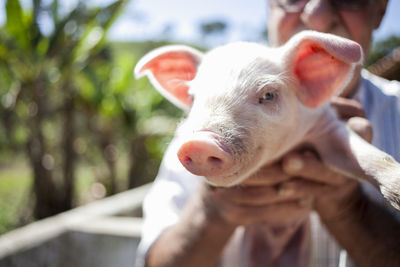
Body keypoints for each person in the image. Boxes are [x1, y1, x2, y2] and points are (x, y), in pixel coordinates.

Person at [135, 0, 400, 266]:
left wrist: (349, 207)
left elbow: (345, 146)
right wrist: (211, 212)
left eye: (268, 95)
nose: (316, 15)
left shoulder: (383, 111)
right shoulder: (195, 134)